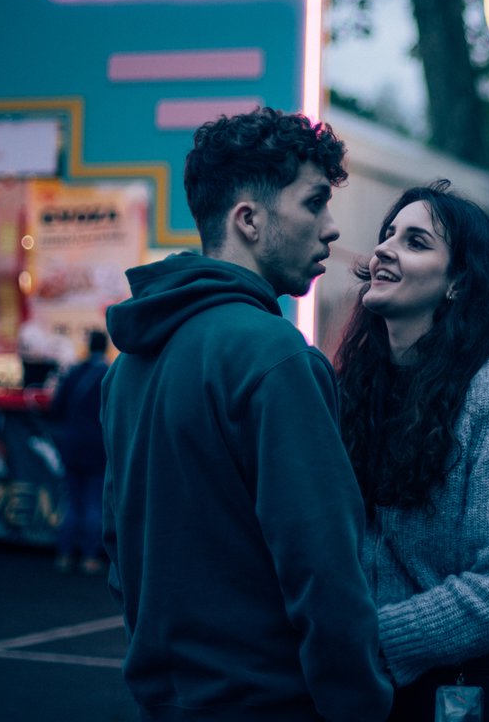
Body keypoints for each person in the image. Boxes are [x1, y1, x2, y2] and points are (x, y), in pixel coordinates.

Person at [100, 107, 392, 722]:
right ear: (249, 220)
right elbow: (325, 569)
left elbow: (120, 554)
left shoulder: (126, 370)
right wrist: (360, 707)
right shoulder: (274, 355)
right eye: (314, 203)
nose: (332, 228)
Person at [334, 182, 489, 722]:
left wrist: (369, 638)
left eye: (415, 241)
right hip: (358, 686)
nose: (385, 248)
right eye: (387, 235)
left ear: (458, 282)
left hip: (459, 695)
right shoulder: (356, 387)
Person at [48, 328, 110, 576]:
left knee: (72, 500)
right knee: (94, 501)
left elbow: (56, 407)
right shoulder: (108, 374)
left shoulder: (74, 372)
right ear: (105, 347)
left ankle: (64, 553)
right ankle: (89, 556)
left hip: (71, 443)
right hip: (97, 445)